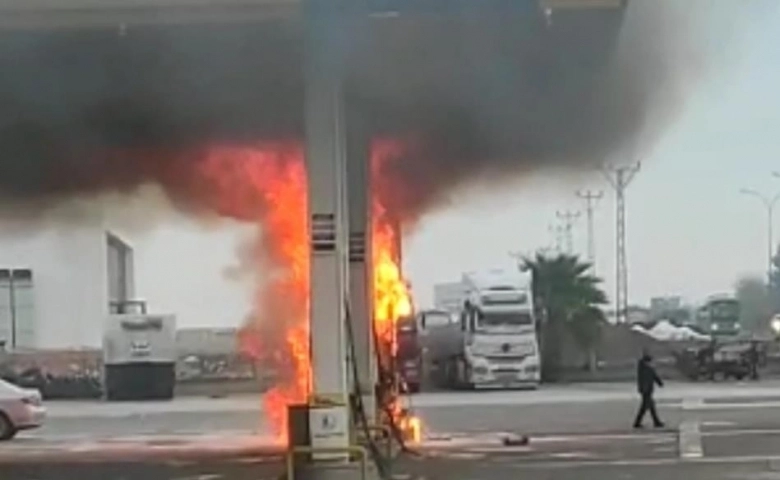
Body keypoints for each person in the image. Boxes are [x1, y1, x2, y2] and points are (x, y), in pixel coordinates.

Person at [633, 352, 665, 429]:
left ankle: (640, 422)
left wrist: (659, 383)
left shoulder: (643, 369)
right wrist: (660, 383)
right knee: (648, 407)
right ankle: (655, 422)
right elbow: (653, 377)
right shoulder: (647, 369)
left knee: (647, 407)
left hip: (646, 390)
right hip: (646, 390)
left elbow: (653, 377)